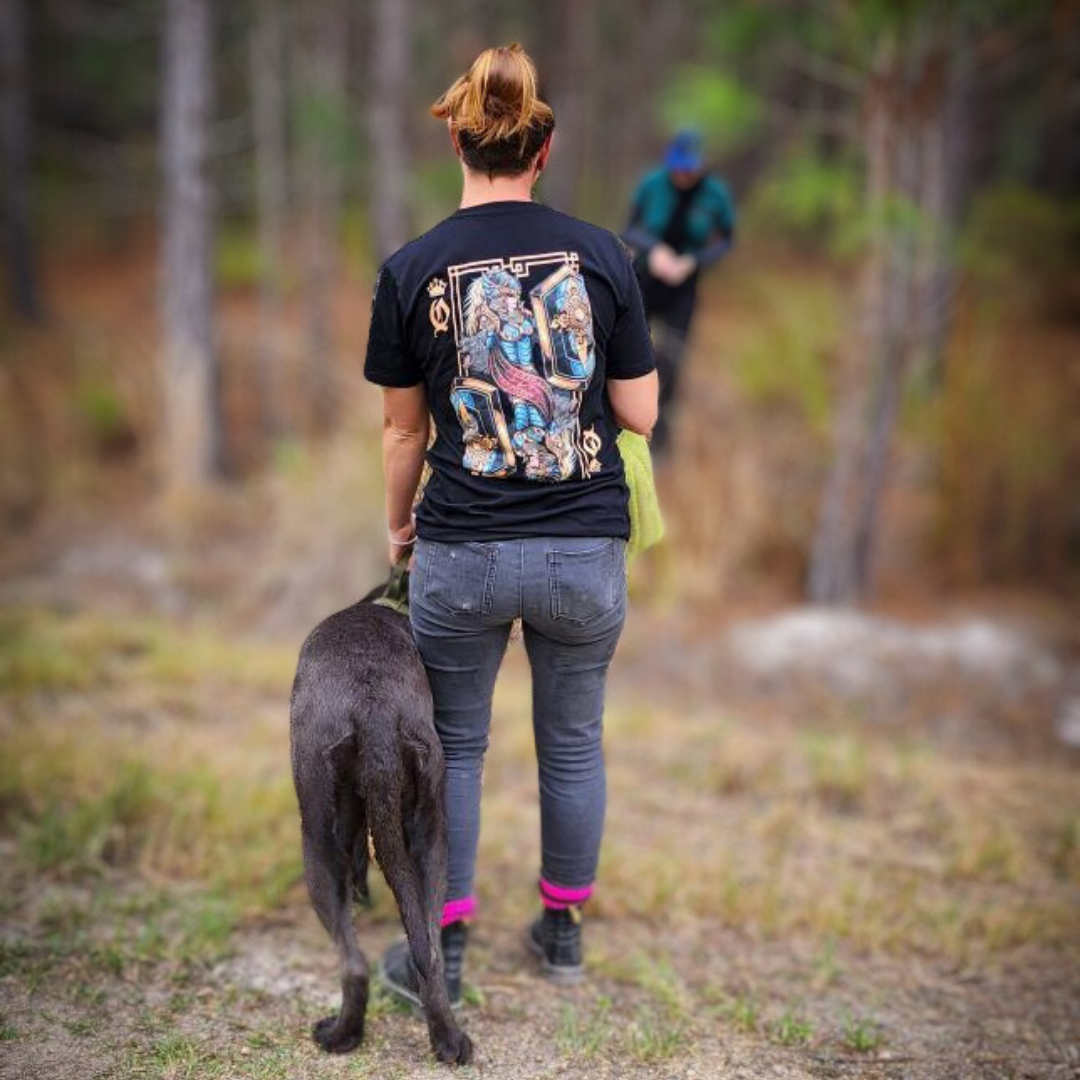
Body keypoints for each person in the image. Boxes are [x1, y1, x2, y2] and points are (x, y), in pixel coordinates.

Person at [363, 44, 658, 1006]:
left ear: (455, 139)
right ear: (546, 149)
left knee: (452, 747)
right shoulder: (605, 254)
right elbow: (642, 414)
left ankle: (439, 954)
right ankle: (562, 931)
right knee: (574, 744)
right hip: (582, 549)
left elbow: (404, 429)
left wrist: (399, 530)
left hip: (463, 548)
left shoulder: (411, 269)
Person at [623, 131, 735, 455]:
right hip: (645, 280)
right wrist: (653, 249)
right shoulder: (652, 184)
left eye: (689, 168)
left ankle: (661, 442)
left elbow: (726, 239)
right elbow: (629, 229)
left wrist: (694, 261)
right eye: (678, 167)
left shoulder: (715, 195)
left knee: (672, 359)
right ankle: (624, 427)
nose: (682, 175)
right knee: (632, 352)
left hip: (684, 288)